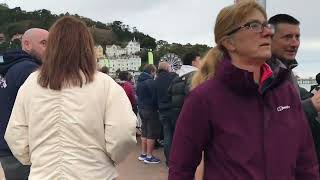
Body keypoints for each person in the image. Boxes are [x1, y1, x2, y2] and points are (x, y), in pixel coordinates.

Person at [169, 2, 319, 179]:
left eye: (266, 25)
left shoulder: (285, 92)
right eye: (254, 26)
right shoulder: (204, 98)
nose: (268, 32)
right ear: (229, 42)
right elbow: (181, 169)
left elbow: (306, 162)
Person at [4, 16, 136, 180]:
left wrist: (38, 160)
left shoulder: (31, 83)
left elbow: (15, 134)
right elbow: (123, 132)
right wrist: (110, 158)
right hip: (95, 174)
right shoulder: (105, 84)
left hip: (44, 174)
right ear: (87, 47)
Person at [268, 14, 320, 168]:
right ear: (269, 39)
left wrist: (311, 97)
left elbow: (294, 99)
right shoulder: (262, 72)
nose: (294, 43)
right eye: (287, 37)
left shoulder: (286, 69)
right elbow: (270, 120)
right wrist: (311, 105)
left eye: (297, 37)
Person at [0, 28, 48, 180]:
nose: (50, 50)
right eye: (44, 43)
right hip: (26, 152)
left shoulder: (7, 67)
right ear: (27, 44)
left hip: (7, 149)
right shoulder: (31, 71)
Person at [136, 64, 161, 164]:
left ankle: (143, 153)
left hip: (141, 108)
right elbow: (155, 96)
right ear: (152, 71)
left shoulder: (139, 81)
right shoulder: (150, 82)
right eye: (154, 72)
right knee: (151, 133)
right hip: (150, 109)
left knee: (144, 131)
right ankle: (149, 156)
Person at [154, 61, 177, 166]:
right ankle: (177, 158)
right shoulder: (172, 77)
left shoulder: (156, 79)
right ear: (168, 68)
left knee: (167, 135)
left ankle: (169, 160)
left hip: (162, 110)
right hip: (172, 109)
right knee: (176, 135)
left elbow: (154, 96)